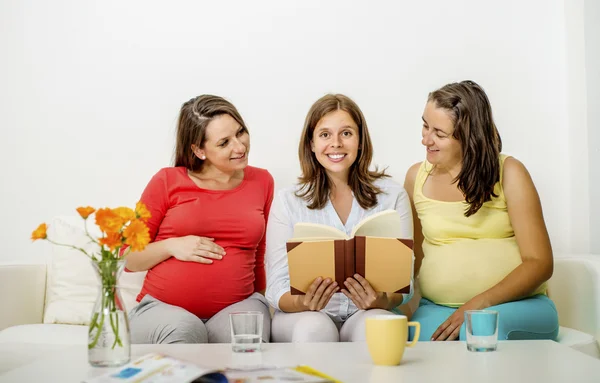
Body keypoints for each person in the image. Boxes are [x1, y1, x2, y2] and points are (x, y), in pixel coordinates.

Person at [405, 80, 559, 341]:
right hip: (438, 309)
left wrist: (477, 304)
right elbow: (413, 258)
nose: (425, 139)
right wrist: (388, 301)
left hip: (519, 306)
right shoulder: (416, 177)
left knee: (476, 332)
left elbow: (540, 263)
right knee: (414, 345)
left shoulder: (510, 173)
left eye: (439, 134)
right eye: (425, 125)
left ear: (469, 137)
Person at [265, 94, 414, 343]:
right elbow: (276, 285)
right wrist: (302, 301)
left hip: (366, 311)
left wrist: (383, 300)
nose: (336, 143)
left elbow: (404, 279)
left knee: (376, 328)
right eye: (325, 135)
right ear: (311, 144)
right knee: (314, 329)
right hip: (302, 314)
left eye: (346, 133)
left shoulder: (392, 196)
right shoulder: (288, 200)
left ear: (360, 141)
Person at [125, 95, 273, 344]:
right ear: (198, 150)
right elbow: (128, 257)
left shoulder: (262, 181)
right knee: (185, 330)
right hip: (161, 310)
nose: (240, 147)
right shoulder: (166, 181)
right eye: (224, 142)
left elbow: (259, 255)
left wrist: (260, 303)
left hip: (236, 306)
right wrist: (172, 245)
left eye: (241, 133)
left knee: (246, 336)